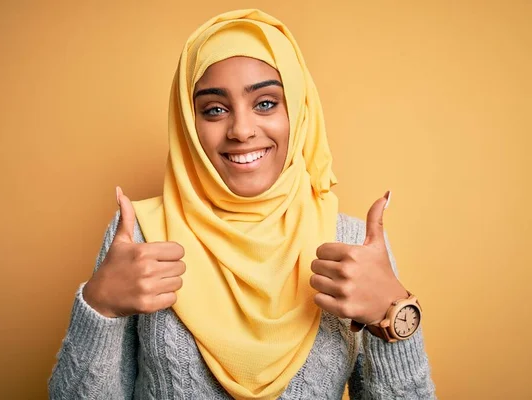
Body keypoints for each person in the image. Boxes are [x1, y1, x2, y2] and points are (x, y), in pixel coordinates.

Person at [49, 9, 435, 400]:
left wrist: (395, 315)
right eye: (215, 109)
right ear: (188, 123)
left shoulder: (352, 244)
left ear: (298, 111)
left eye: (265, 103)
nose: (242, 130)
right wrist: (99, 309)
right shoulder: (141, 236)